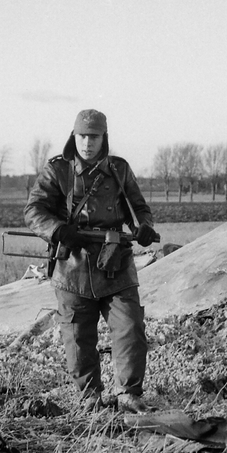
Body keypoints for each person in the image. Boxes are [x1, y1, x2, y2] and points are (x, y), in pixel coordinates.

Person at [25, 109, 159, 412]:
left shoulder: (119, 169)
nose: (87, 142)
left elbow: (139, 207)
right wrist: (59, 230)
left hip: (116, 261)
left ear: (104, 138)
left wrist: (144, 227)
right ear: (74, 136)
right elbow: (34, 211)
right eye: (83, 136)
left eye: (94, 136)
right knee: (77, 334)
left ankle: (128, 394)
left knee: (129, 326)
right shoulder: (58, 171)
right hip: (72, 263)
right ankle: (90, 397)